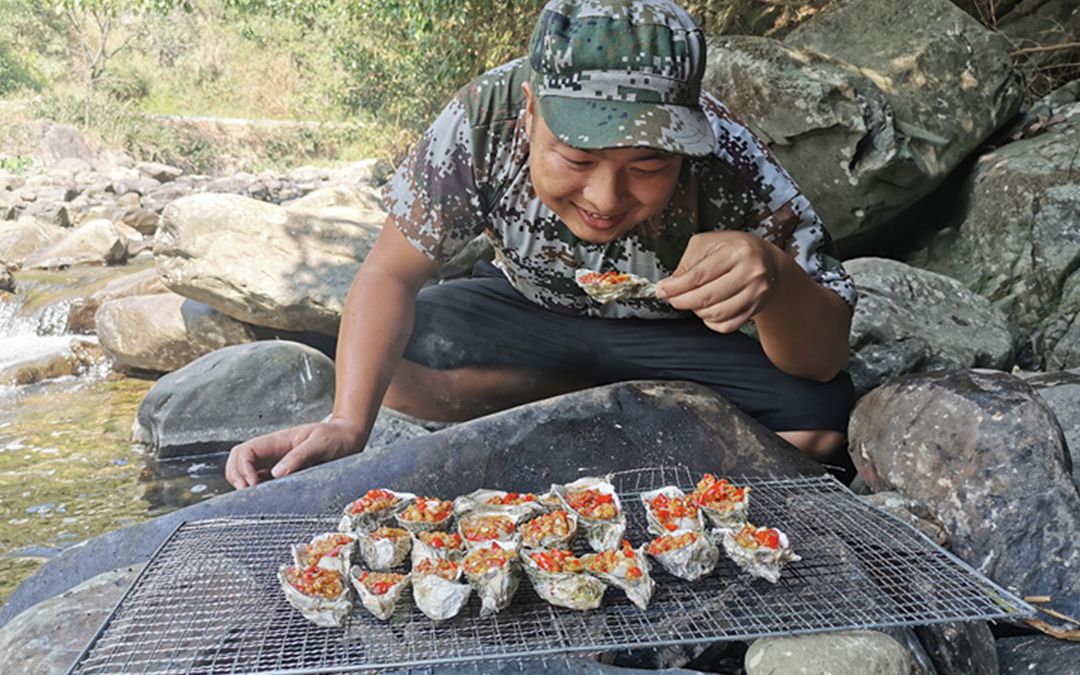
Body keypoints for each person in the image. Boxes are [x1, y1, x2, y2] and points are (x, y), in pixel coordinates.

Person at [225, 0, 856, 490]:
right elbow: (391, 275)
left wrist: (774, 278)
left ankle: (582, 414)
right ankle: (597, 403)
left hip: (681, 337)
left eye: (647, 167)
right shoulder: (482, 120)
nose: (605, 199)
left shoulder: (727, 152)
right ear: (528, 113)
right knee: (400, 362)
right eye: (576, 156)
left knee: (819, 419)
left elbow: (824, 358)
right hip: (531, 312)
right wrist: (346, 425)